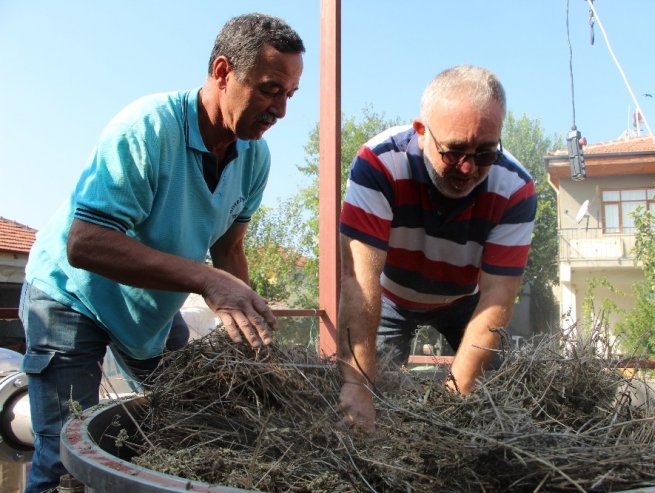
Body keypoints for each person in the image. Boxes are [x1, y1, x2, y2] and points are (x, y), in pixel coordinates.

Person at [19, 13, 304, 492]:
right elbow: (85, 242)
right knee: (64, 463)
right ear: (221, 72)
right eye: (270, 89)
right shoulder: (147, 128)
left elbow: (228, 248)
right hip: (71, 296)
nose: (280, 110)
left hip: (148, 306)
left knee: (190, 423)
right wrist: (206, 280)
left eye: (289, 95)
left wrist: (251, 329)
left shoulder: (255, 156)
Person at [336, 65, 536, 431]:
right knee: (371, 392)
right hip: (390, 297)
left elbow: (498, 299)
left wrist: (453, 401)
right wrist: (357, 383)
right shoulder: (378, 163)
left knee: (492, 398)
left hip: (468, 305)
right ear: (421, 132)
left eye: (485, 153)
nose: (468, 168)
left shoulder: (515, 188)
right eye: (454, 150)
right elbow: (359, 280)